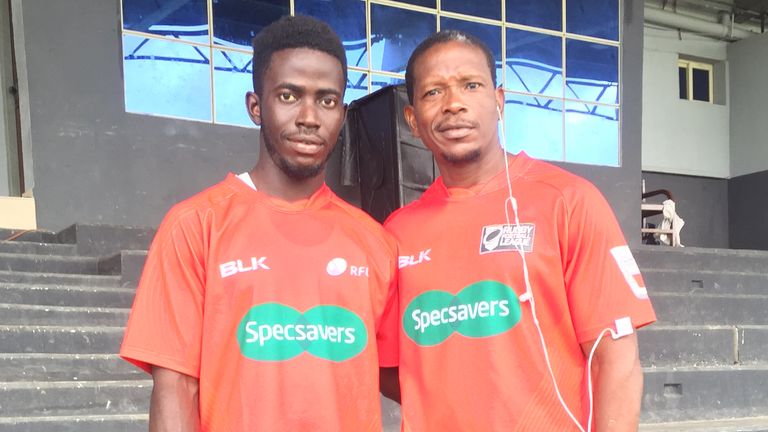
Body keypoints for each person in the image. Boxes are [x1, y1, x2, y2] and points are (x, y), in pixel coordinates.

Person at [120, 15, 399, 432]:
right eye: (289, 96)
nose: (309, 116)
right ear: (256, 107)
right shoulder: (196, 225)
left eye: (326, 100)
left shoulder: (375, 242)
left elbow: (406, 376)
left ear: (342, 114)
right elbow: (177, 387)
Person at [384, 30, 656, 431]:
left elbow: (615, 359)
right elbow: (393, 367)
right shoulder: (398, 232)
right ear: (413, 121)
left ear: (498, 101)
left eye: (471, 85)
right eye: (433, 93)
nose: (454, 104)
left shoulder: (568, 201)